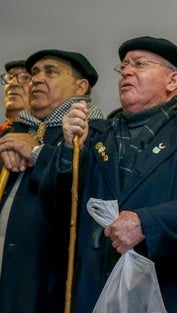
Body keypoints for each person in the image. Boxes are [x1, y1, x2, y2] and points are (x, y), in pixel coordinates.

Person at [43, 36, 177, 312]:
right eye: (124, 67)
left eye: (140, 64)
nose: (127, 72)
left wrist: (147, 222)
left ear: (173, 81)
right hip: (96, 289)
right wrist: (66, 152)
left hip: (170, 290)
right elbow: (58, 208)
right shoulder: (94, 134)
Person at [0, 49, 102, 313]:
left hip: (51, 282)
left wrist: (39, 152)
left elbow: (83, 190)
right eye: (34, 73)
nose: (37, 79)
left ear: (81, 86)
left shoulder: (97, 131)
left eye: (51, 71)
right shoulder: (16, 130)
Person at [0, 60, 31, 134]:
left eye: (25, 78)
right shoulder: (2, 131)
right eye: (10, 78)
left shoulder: (47, 134)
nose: (12, 83)